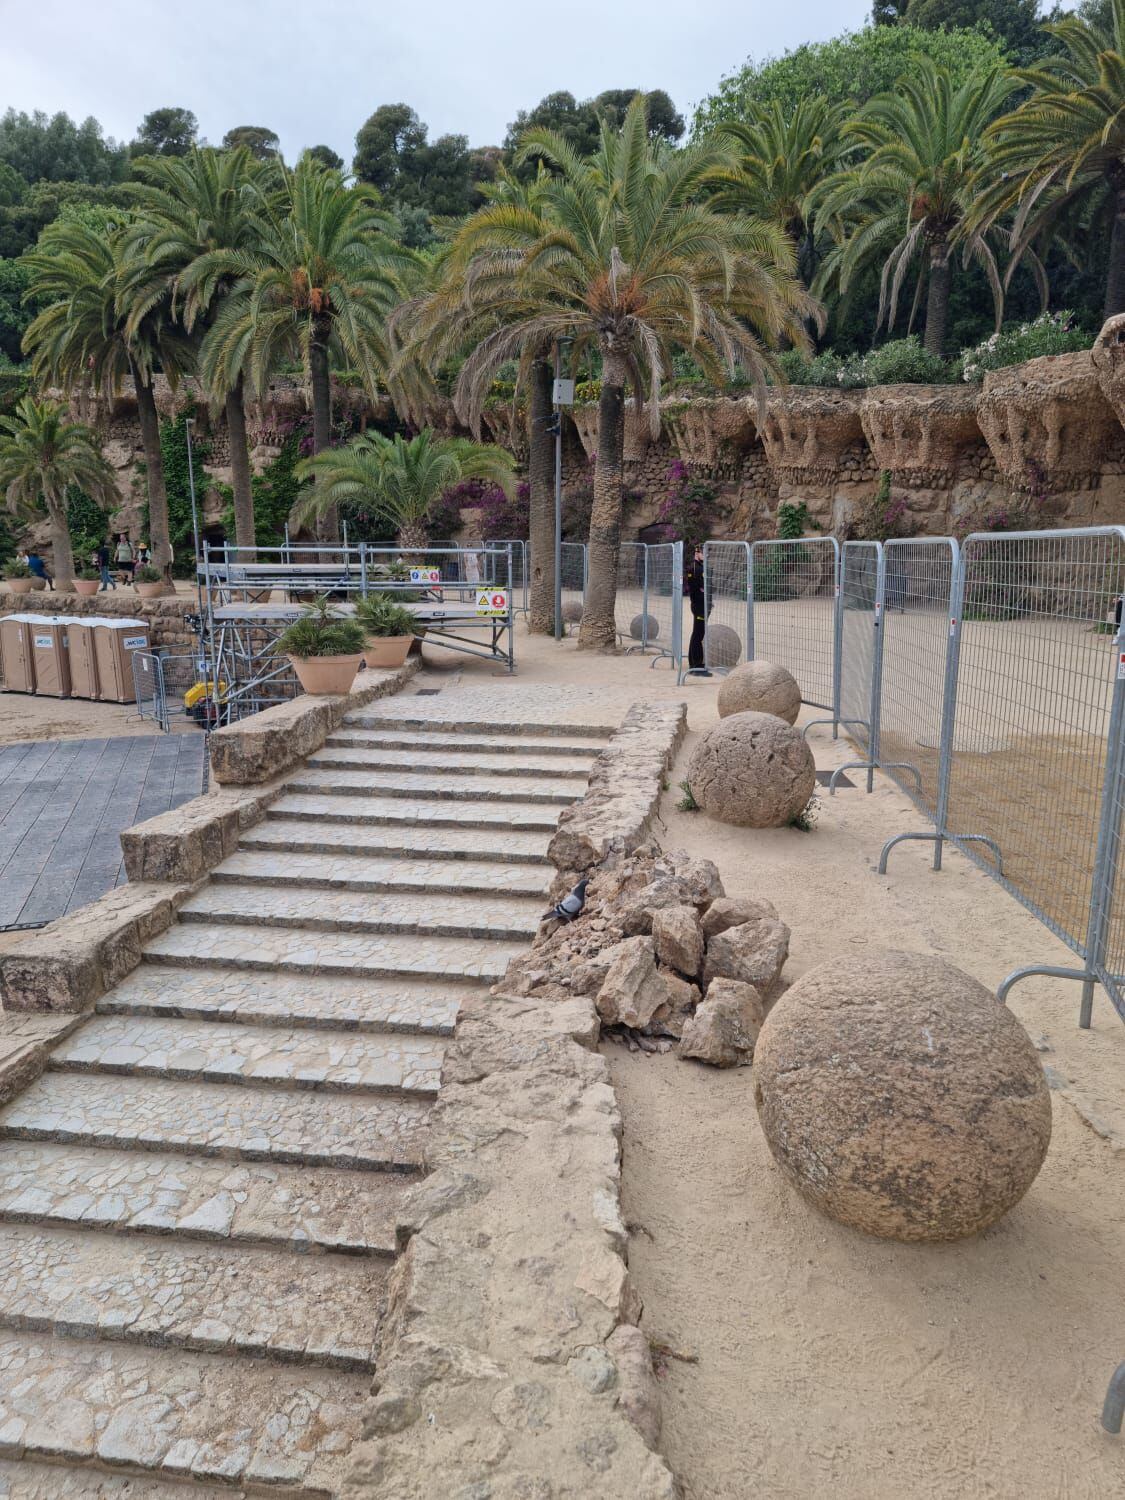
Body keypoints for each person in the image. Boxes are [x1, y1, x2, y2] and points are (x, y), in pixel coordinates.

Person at [687, 543, 711, 676]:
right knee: (698, 635)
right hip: (699, 606)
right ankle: (695, 665)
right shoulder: (695, 569)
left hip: (702, 605)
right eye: (704, 552)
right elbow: (695, 590)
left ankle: (696, 662)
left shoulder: (701, 567)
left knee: (697, 634)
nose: (706, 555)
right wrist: (703, 601)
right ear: (697, 553)